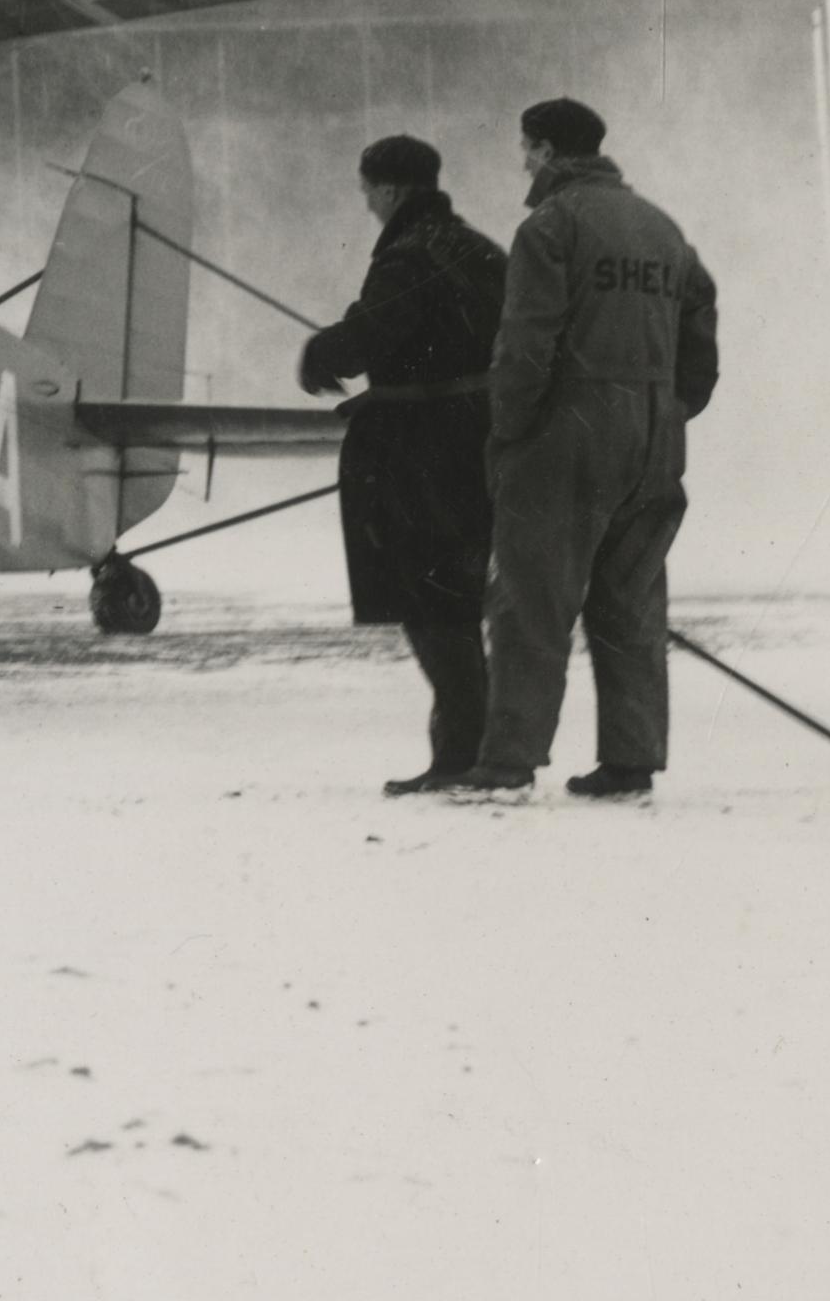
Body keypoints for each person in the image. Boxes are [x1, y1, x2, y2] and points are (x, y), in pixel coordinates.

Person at [425, 98, 718, 800]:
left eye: (526, 149)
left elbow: (525, 342)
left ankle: (508, 759)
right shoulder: (661, 227)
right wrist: (673, 408)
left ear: (550, 151)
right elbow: (700, 333)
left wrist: (509, 431)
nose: (522, 162)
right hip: (652, 434)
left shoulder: (549, 226)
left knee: (531, 601)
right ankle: (630, 758)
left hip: (566, 431)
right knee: (632, 603)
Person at [297, 133, 510, 795]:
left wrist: (320, 352)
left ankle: (460, 754)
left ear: (388, 189)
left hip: (420, 453)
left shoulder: (407, 255)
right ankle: (478, 746)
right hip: (479, 440)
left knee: (429, 600)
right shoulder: (480, 249)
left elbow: (367, 335)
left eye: (366, 190)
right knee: (460, 598)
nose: (364, 203)